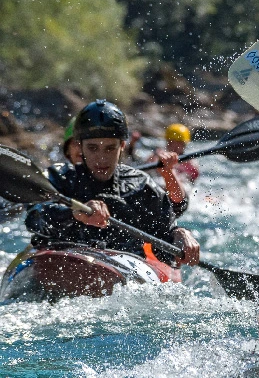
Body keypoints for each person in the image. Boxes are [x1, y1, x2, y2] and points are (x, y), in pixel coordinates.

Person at [24, 100, 200, 266]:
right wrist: (74, 214)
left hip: (121, 275)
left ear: (122, 146)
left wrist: (181, 234)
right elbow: (34, 218)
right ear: (80, 146)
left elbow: (165, 241)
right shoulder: (58, 178)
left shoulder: (141, 185)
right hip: (59, 263)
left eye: (110, 148)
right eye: (93, 148)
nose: (102, 158)